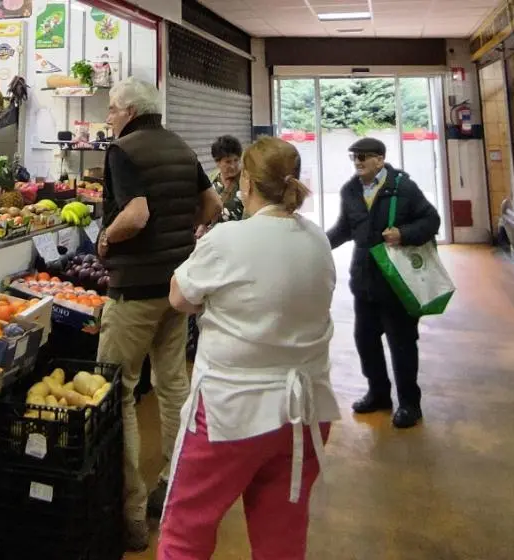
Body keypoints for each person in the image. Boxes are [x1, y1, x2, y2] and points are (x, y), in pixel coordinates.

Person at [159, 137, 339, 559]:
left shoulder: (228, 240)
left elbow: (178, 298)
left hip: (231, 411)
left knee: (186, 528)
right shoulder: (317, 239)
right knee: (282, 534)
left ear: (248, 184)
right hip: (304, 411)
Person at [96, 77, 223, 552]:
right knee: (172, 383)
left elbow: (137, 214)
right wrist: (179, 233)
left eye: (111, 110)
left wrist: (107, 238)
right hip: (175, 288)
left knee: (119, 388)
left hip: (132, 292)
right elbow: (211, 205)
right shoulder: (179, 146)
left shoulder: (124, 150)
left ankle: (130, 511)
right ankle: (169, 483)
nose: (109, 118)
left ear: (129, 111)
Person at [327, 137, 441, 429]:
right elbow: (344, 229)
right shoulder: (351, 190)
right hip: (364, 282)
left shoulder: (402, 188)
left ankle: (409, 404)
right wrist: (318, 243)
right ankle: (378, 394)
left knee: (402, 344)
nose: (358, 161)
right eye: (354, 157)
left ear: (380, 158)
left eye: (364, 156)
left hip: (397, 283)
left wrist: (403, 233)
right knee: (365, 341)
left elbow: (431, 220)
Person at [189, 135, 245, 360]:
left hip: (238, 248)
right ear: (217, 162)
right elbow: (205, 209)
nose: (232, 166)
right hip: (213, 248)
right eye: (226, 161)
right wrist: (202, 225)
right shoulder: (212, 182)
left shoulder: (248, 182)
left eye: (235, 160)